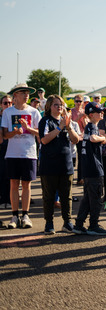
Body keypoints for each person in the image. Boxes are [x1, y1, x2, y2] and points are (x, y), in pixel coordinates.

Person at [1, 83, 42, 229]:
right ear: (15, 95)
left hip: (29, 153)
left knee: (26, 185)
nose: (26, 95)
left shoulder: (34, 112)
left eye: (27, 93)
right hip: (12, 154)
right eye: (23, 92)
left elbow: (40, 133)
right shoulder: (8, 112)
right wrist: (15, 133)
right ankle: (14, 216)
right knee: (13, 184)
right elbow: (5, 135)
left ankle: (25, 215)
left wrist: (28, 128)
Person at [39, 95, 80, 234]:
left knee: (66, 195)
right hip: (49, 165)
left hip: (66, 164)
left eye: (61, 105)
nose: (60, 107)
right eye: (56, 105)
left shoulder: (67, 122)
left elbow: (75, 140)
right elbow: (44, 140)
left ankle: (67, 222)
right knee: (49, 196)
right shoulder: (45, 121)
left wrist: (68, 127)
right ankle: (49, 223)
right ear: (49, 106)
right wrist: (59, 127)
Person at [72, 102, 106, 235]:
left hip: (89, 169)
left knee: (88, 198)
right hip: (94, 168)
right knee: (96, 199)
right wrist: (103, 138)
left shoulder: (89, 127)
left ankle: (79, 224)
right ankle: (93, 225)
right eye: (98, 111)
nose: (101, 113)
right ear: (91, 114)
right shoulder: (92, 126)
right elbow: (94, 139)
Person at [0, 95, 13, 209]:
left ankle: (8, 199)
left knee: (9, 175)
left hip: (11, 147)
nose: (8, 105)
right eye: (5, 103)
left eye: (9, 103)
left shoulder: (13, 116)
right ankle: (2, 199)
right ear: (1, 105)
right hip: (1, 148)